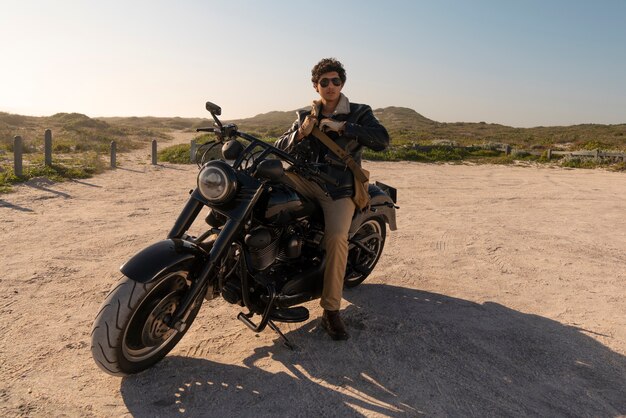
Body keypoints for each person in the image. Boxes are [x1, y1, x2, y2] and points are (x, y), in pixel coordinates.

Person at [275, 58, 389, 340]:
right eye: (323, 81)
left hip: (337, 187)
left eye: (335, 81)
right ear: (316, 86)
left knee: (337, 237)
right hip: (304, 179)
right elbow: (279, 147)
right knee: (263, 193)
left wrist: (345, 128)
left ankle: (331, 311)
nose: (330, 86)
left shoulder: (360, 112)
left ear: (342, 84)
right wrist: (301, 133)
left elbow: (382, 139)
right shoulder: (305, 114)